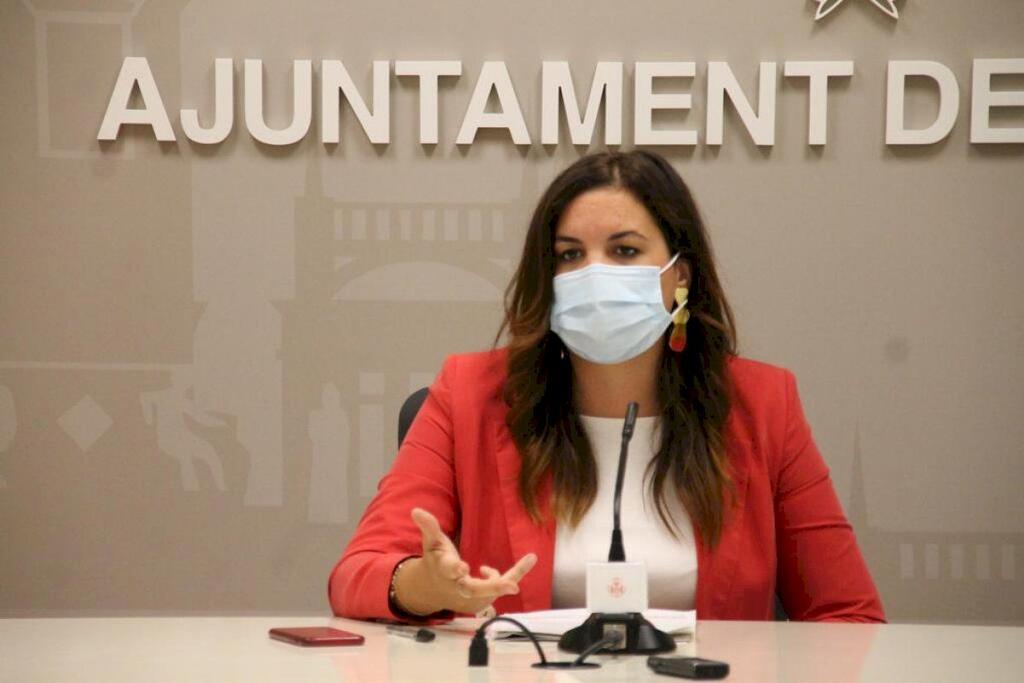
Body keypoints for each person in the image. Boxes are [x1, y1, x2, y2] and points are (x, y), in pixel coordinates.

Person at [328, 151, 885, 623]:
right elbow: (357, 574)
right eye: (569, 255)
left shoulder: (762, 405)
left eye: (624, 251)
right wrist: (424, 586)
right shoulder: (471, 394)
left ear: (680, 275)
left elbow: (848, 616)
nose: (593, 274)